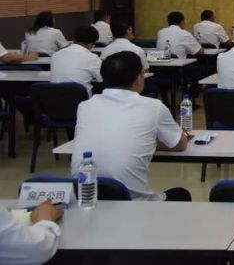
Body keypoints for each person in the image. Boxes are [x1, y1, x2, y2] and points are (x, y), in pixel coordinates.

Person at [70, 52, 191, 201]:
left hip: (86, 198)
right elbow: (180, 145)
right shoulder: (153, 107)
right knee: (181, 194)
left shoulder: (85, 106)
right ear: (139, 78)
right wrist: (160, 140)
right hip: (132, 204)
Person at [50, 26, 102, 96]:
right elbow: (103, 79)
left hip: (55, 99)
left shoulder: (55, 55)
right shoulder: (92, 58)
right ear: (91, 44)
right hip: (81, 101)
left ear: (73, 39)